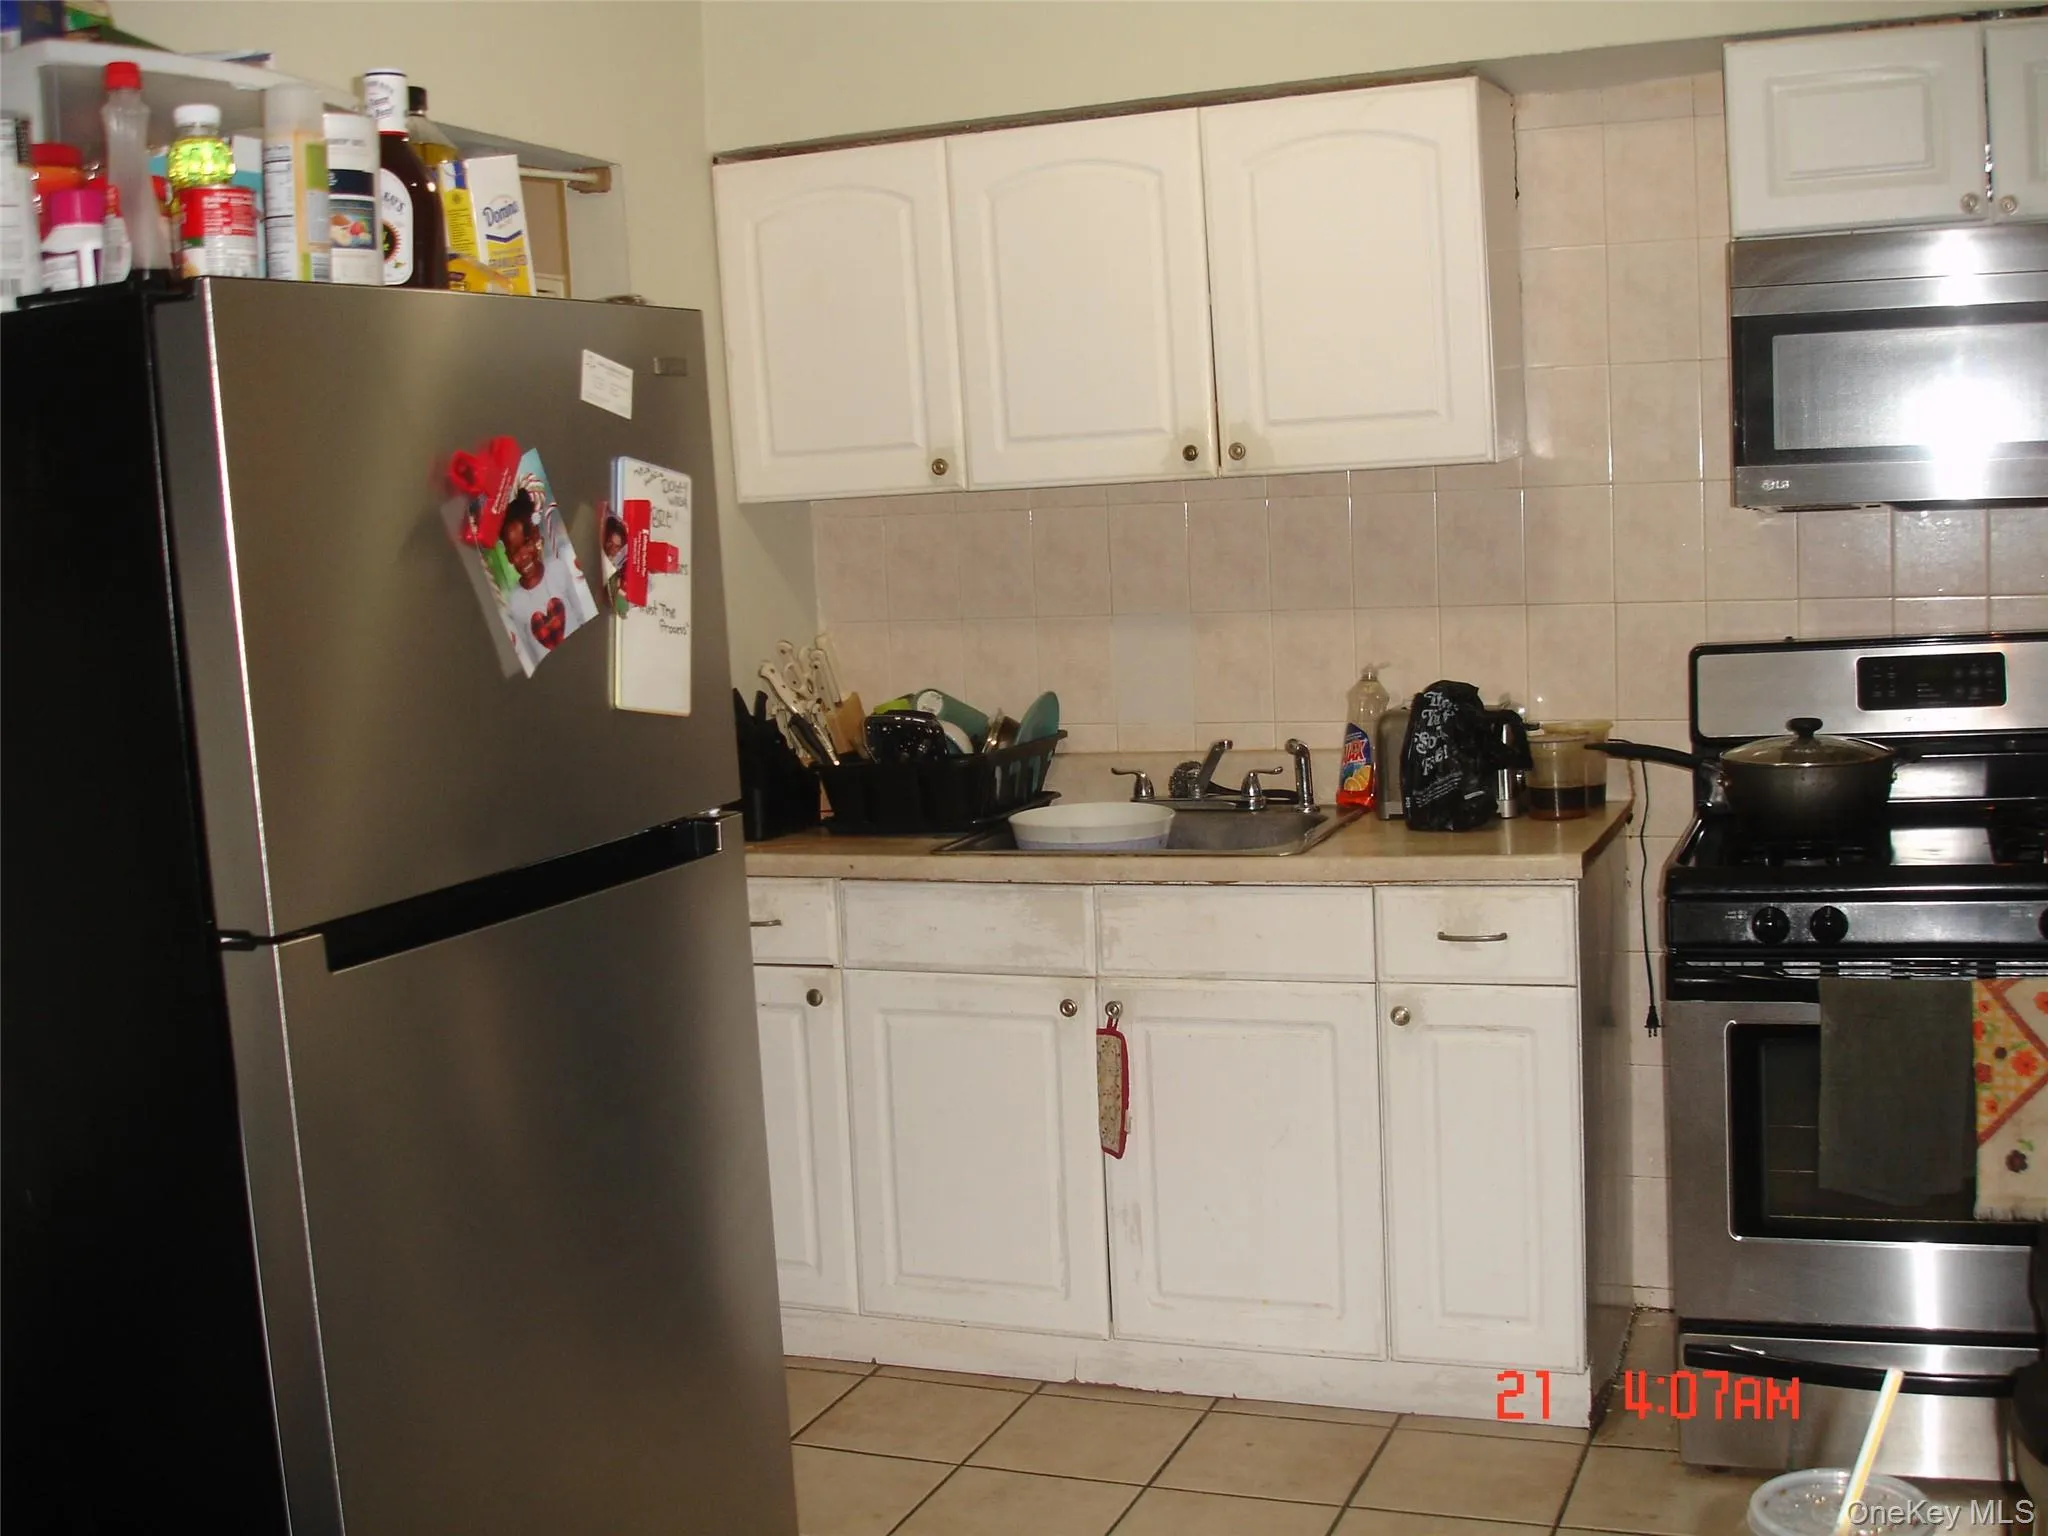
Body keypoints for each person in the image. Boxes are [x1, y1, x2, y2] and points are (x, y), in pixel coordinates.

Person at [497, 485, 595, 671]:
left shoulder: (557, 569)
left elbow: (581, 615)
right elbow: (529, 655)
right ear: (508, 556)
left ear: (536, 537)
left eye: (526, 543)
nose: (523, 555)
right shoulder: (515, 603)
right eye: (515, 551)